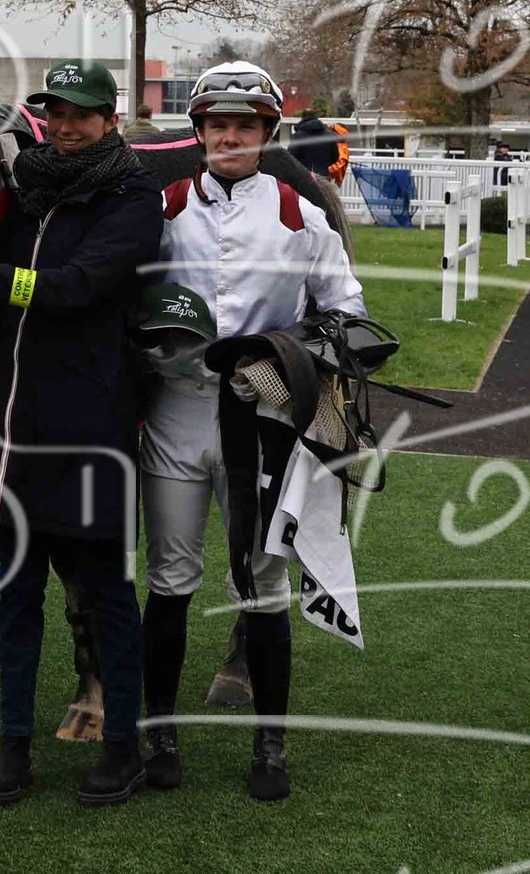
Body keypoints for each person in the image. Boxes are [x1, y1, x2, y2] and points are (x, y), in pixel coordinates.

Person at [0, 59, 164, 807]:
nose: (65, 127)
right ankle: (13, 745)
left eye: (81, 115)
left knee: (108, 596)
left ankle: (122, 746)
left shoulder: (134, 197)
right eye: (55, 113)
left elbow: (75, 288)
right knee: (17, 595)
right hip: (14, 423)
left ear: (110, 121)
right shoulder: (27, 190)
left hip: (91, 424)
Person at [140, 60, 364, 802]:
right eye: (217, 124)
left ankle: (271, 744)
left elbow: (349, 315)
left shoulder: (301, 214)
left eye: (244, 125)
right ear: (199, 131)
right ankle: (159, 732)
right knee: (170, 577)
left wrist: (286, 354)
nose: (229, 137)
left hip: (265, 418)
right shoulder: (165, 207)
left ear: (266, 132)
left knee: (264, 584)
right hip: (177, 413)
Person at [287, 108, 337, 178]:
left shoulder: (298, 136)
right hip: (323, 175)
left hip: (303, 176)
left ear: (302, 118)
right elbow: (335, 157)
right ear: (316, 117)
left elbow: (291, 157)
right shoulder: (329, 135)